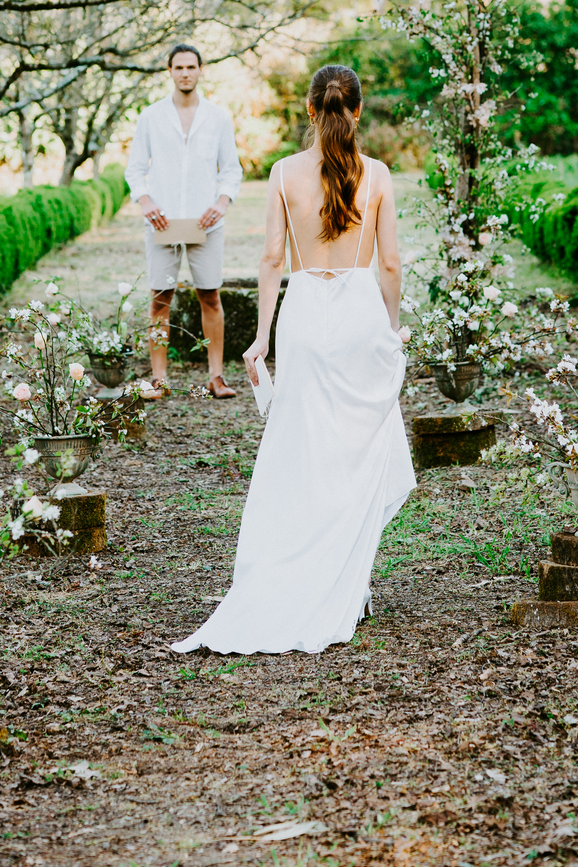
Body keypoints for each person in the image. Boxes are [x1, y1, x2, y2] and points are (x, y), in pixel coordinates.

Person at [172, 63, 415, 655]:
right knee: (355, 447)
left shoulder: (283, 173)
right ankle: (345, 579)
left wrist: (260, 337)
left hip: (305, 315)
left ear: (310, 111)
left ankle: (325, 573)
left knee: (307, 446)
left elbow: (272, 261)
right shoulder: (378, 174)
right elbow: (388, 265)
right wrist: (391, 326)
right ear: (357, 110)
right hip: (359, 311)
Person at [125, 44, 243, 399]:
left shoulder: (219, 117)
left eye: (191, 66)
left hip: (206, 223)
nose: (185, 73)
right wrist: (145, 200)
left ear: (201, 70)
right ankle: (159, 378)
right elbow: (134, 169)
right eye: (179, 67)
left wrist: (221, 203)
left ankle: (216, 376)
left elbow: (232, 170)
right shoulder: (150, 116)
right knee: (160, 300)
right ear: (170, 71)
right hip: (162, 223)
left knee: (210, 296)